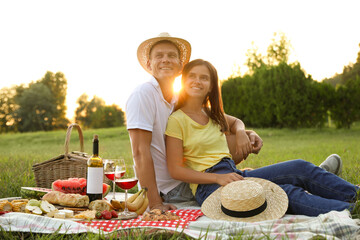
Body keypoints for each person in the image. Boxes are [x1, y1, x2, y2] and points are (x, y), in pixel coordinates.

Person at [165, 59, 359, 216]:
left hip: (234, 174)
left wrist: (242, 132)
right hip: (209, 187)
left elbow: (236, 122)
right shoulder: (177, 120)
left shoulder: (211, 114)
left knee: (300, 167)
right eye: (192, 76)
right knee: (285, 192)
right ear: (183, 81)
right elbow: (175, 170)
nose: (197, 81)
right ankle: (351, 210)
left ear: (210, 87)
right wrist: (217, 177)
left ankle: (355, 194)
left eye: (204, 78)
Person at [126, 33, 263, 211]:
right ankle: (236, 178)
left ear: (180, 65)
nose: (165, 60)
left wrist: (244, 132)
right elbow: (139, 151)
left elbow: (226, 120)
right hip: (169, 189)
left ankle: (234, 175)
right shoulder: (143, 94)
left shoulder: (178, 98)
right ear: (149, 64)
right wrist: (155, 204)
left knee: (231, 138)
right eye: (159, 56)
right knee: (252, 192)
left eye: (171, 55)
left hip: (189, 176)